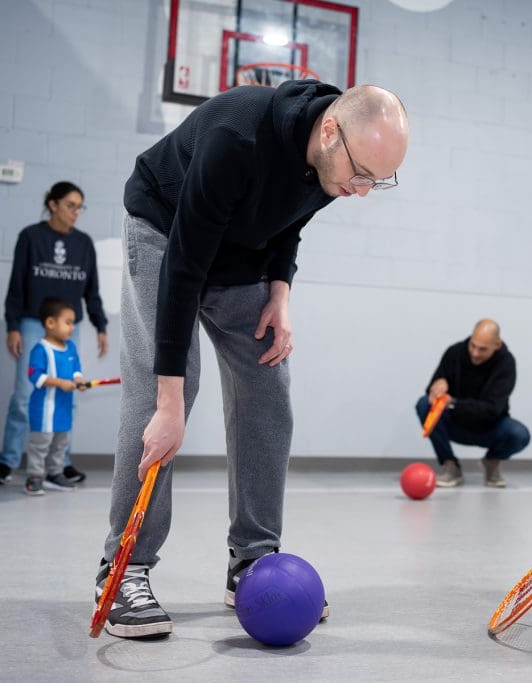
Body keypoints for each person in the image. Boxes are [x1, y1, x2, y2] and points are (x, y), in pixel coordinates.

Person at [94, 80, 408, 639]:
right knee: (160, 397)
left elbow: (292, 219)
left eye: (377, 182)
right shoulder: (235, 138)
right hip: (166, 234)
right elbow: (184, 267)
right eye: (361, 174)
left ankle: (253, 560)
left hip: (243, 256)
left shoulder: (333, 157)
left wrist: (281, 292)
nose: (362, 191)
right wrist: (171, 405)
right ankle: (124, 571)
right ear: (330, 130)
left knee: (268, 384)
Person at [0, 181, 108, 486]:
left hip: (71, 329)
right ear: (52, 204)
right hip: (31, 324)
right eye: (70, 205)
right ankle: (8, 461)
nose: (76, 212)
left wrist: (101, 326)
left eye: (80, 207)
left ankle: (59, 464)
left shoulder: (84, 244)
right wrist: (12, 326)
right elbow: (16, 286)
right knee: (26, 395)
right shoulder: (30, 237)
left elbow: (92, 290)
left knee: (69, 393)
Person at [415, 319, 530, 488]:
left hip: (489, 428)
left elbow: (492, 409)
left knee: (519, 434)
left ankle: (491, 463)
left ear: (497, 345)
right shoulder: (454, 352)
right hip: (455, 424)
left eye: (483, 349)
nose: (475, 353)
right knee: (424, 404)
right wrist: (438, 385)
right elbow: (431, 390)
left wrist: (453, 402)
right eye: (472, 345)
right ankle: (450, 466)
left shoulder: (506, 363)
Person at [22, 298, 88, 495]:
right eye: (67, 322)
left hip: (63, 409)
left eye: (73, 323)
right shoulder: (40, 349)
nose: (71, 327)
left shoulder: (71, 348)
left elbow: (76, 370)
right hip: (44, 410)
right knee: (40, 444)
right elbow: (36, 376)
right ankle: (34, 477)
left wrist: (79, 381)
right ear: (50, 323)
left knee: (60, 444)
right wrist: (61, 383)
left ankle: (54, 474)